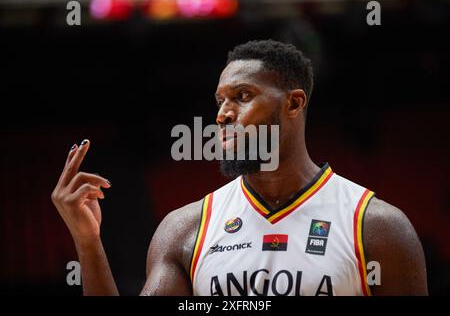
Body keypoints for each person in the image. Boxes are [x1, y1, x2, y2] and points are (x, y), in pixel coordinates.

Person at [51, 40, 427, 296]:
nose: (222, 114)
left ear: (294, 104)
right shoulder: (186, 228)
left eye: (242, 96)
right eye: (220, 100)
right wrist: (88, 242)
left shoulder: (377, 227)